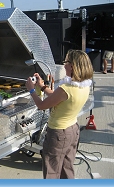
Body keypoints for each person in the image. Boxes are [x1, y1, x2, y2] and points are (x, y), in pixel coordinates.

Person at [25, 49, 93, 179]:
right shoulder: (83, 85)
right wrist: (43, 86)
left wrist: (32, 90)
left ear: (72, 66)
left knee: (52, 171)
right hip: (73, 130)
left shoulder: (66, 89)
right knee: (67, 167)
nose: (64, 65)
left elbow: (41, 105)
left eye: (66, 62)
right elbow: (57, 97)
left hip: (59, 134)